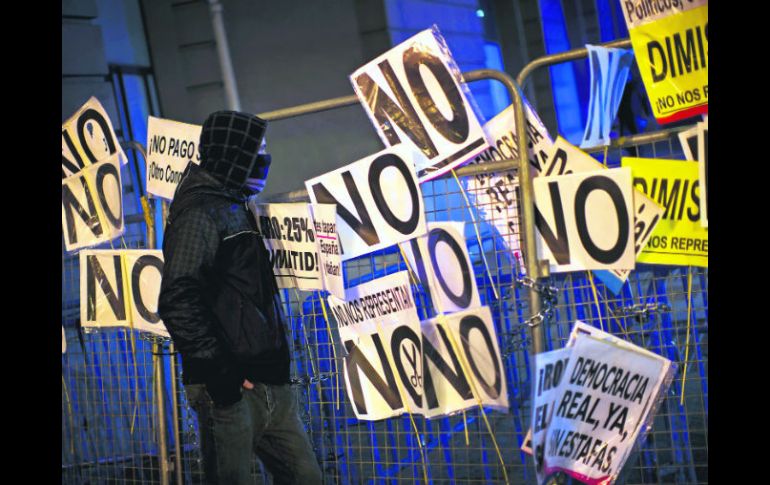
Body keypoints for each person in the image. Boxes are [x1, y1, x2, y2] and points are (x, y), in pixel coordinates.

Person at [158, 111, 323, 485]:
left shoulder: (233, 204)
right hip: (231, 391)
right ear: (233, 154)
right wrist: (221, 374)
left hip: (269, 385)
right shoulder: (200, 213)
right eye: (257, 150)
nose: (264, 158)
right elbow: (177, 297)